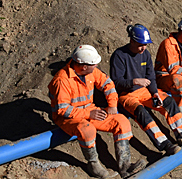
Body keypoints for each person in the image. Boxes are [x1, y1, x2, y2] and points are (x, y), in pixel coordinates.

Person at [48, 45, 146, 179]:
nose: (96, 67)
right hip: (67, 117)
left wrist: (112, 105)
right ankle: (93, 164)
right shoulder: (62, 80)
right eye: (94, 64)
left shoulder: (90, 72)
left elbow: (108, 84)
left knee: (121, 122)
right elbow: (62, 109)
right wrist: (88, 115)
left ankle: (125, 166)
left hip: (89, 110)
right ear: (83, 66)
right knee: (87, 130)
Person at [110, 24, 182, 156]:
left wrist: (155, 93)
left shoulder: (145, 54)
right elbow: (116, 82)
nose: (143, 48)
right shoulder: (119, 56)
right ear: (132, 41)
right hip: (126, 94)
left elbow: (150, 76)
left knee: (168, 102)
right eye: (141, 45)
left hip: (144, 91)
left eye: (145, 45)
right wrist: (134, 81)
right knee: (142, 113)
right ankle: (164, 144)